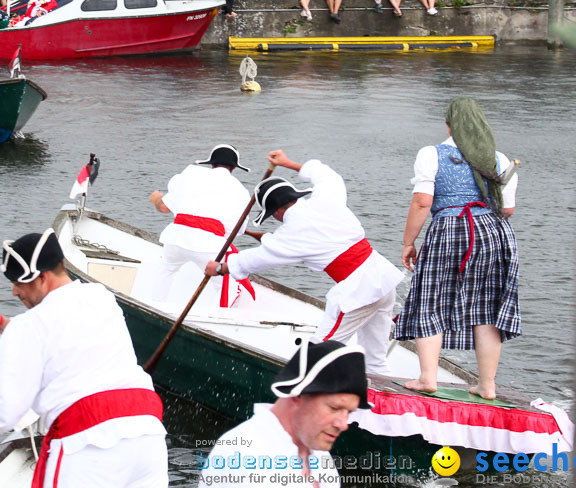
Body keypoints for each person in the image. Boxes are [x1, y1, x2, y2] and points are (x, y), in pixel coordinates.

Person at [0, 229, 168, 488]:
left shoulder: (27, 328)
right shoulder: (101, 297)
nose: (14, 292)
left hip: (88, 447)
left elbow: (6, 413)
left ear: (42, 278)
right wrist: (2, 323)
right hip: (148, 436)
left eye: (18, 283)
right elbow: (61, 333)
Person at [207, 149, 402, 375]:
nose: (276, 219)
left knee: (318, 352)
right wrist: (288, 162)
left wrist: (221, 268)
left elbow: (258, 258)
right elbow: (328, 176)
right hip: (383, 280)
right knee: (376, 361)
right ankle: (379, 403)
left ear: (278, 210)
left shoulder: (290, 235)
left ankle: (297, 396)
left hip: (359, 291)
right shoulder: (326, 198)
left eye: (273, 215)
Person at [397, 98, 520, 399]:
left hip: (449, 228)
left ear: (448, 125)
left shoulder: (432, 154)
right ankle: (487, 385)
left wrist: (408, 242)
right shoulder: (500, 159)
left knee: (431, 297)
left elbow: (423, 202)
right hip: (493, 232)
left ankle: (428, 378)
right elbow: (509, 209)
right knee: (487, 306)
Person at [200, 340, 370, 486]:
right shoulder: (241, 455)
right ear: (297, 395)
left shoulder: (317, 452)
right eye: (334, 408)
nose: (343, 424)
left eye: (348, 412)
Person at [143, 145, 251, 304]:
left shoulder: (190, 174)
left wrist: (156, 199)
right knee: (224, 286)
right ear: (234, 168)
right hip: (208, 247)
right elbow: (238, 231)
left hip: (175, 240)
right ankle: (219, 317)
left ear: (212, 164)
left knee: (166, 271)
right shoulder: (241, 191)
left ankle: (155, 305)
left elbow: (164, 208)